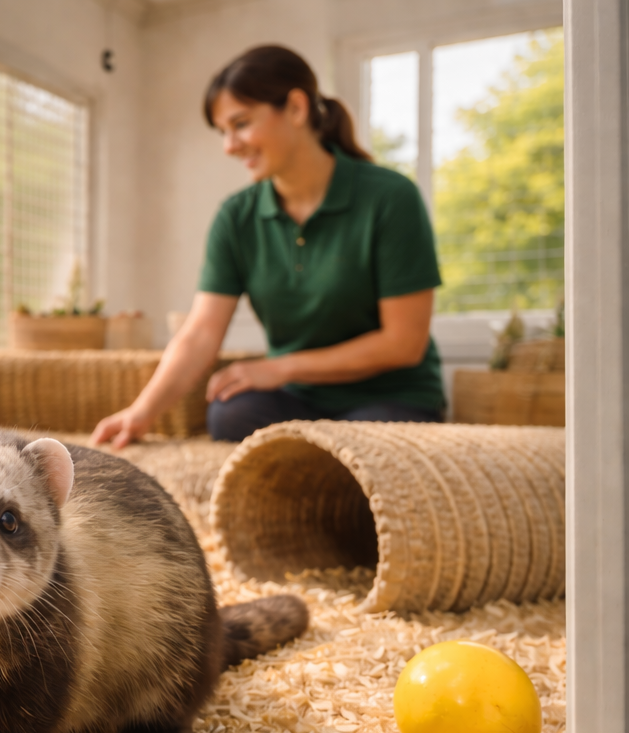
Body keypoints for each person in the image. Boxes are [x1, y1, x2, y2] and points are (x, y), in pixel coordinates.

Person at [91, 44, 446, 448]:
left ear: (296, 108)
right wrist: (142, 413)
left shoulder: (390, 198)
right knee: (229, 414)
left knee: (368, 445)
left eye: (240, 124)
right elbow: (201, 333)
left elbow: (403, 343)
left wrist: (281, 367)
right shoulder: (236, 217)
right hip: (299, 398)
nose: (229, 146)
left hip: (390, 397)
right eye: (223, 131)